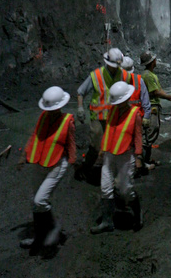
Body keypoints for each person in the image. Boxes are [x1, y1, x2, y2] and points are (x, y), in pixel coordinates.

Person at [18, 86, 75, 253]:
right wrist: (24, 156)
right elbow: (35, 136)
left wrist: (73, 161)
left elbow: (71, 145)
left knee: (40, 201)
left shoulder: (67, 122)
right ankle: (39, 238)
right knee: (35, 202)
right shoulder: (43, 117)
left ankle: (55, 228)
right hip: (39, 162)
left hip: (56, 165)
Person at [89, 80, 143, 234]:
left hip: (126, 155)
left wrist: (138, 156)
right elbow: (109, 131)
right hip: (109, 154)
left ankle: (138, 215)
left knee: (125, 190)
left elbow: (138, 137)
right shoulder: (112, 111)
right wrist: (102, 149)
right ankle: (107, 222)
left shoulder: (134, 114)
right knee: (106, 188)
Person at [75, 47, 127, 177]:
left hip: (115, 117)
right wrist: (80, 108)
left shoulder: (122, 74)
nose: (115, 68)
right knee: (96, 145)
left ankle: (111, 172)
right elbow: (81, 91)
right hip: (98, 117)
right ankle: (85, 169)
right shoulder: (96, 75)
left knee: (115, 145)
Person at [136, 51, 171, 169]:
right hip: (150, 107)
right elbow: (155, 92)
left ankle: (146, 159)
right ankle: (141, 163)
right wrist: (170, 97)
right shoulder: (147, 75)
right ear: (152, 62)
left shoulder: (150, 74)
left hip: (153, 106)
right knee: (149, 133)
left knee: (151, 133)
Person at [120, 56, 153, 170]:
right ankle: (129, 164)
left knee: (139, 142)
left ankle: (140, 163)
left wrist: (147, 116)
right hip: (124, 117)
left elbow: (145, 100)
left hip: (136, 117)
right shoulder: (117, 82)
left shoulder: (139, 81)